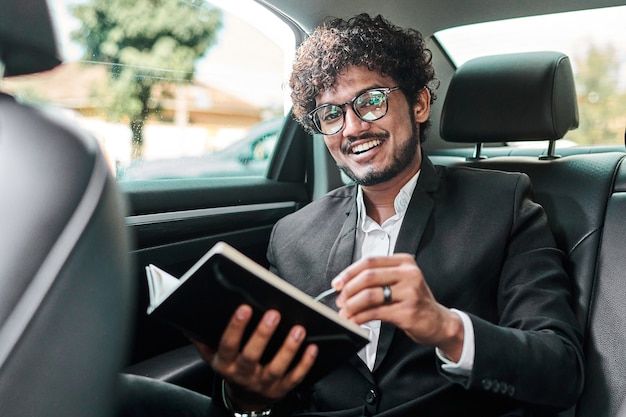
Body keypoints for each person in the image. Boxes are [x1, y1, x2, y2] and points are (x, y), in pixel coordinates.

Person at [119, 13, 584, 417]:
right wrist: (248, 391)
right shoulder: (292, 235)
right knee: (119, 398)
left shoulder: (504, 205)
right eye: (331, 114)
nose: (353, 127)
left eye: (371, 101)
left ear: (418, 103)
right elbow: (276, 398)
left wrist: (445, 327)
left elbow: (560, 369)